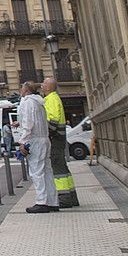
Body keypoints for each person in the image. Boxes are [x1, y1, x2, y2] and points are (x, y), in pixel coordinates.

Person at [15, 81, 58, 213]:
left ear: (26, 90)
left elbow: (29, 123)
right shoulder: (39, 103)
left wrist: (23, 141)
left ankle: (41, 202)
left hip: (34, 140)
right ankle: (52, 201)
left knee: (36, 172)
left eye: (22, 88)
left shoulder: (28, 102)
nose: (20, 90)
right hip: (44, 138)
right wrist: (20, 123)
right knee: (47, 171)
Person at [42, 78, 80, 208]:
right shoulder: (55, 98)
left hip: (55, 138)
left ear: (48, 87)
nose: (41, 85)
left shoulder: (51, 99)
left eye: (43, 83)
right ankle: (71, 196)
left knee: (57, 167)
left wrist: (48, 134)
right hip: (60, 136)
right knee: (63, 167)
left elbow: (52, 119)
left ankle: (64, 198)